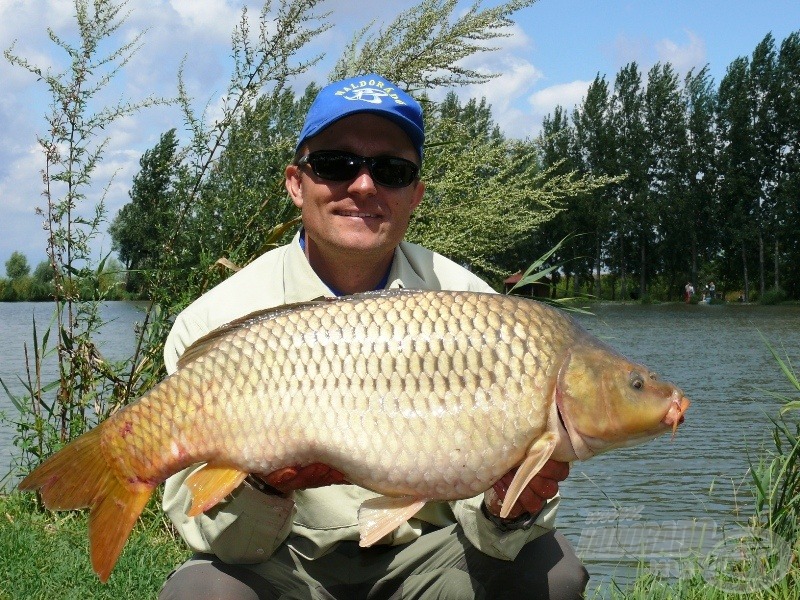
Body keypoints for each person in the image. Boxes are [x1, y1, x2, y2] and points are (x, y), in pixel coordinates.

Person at [158, 73, 588, 600]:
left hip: (426, 555)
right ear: (296, 183)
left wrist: (504, 506)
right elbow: (209, 534)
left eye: (390, 170)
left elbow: (485, 524)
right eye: (337, 165)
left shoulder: (483, 315)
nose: (363, 186)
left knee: (551, 571)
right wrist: (264, 484)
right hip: (282, 560)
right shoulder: (216, 322)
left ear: (416, 195)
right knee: (201, 592)